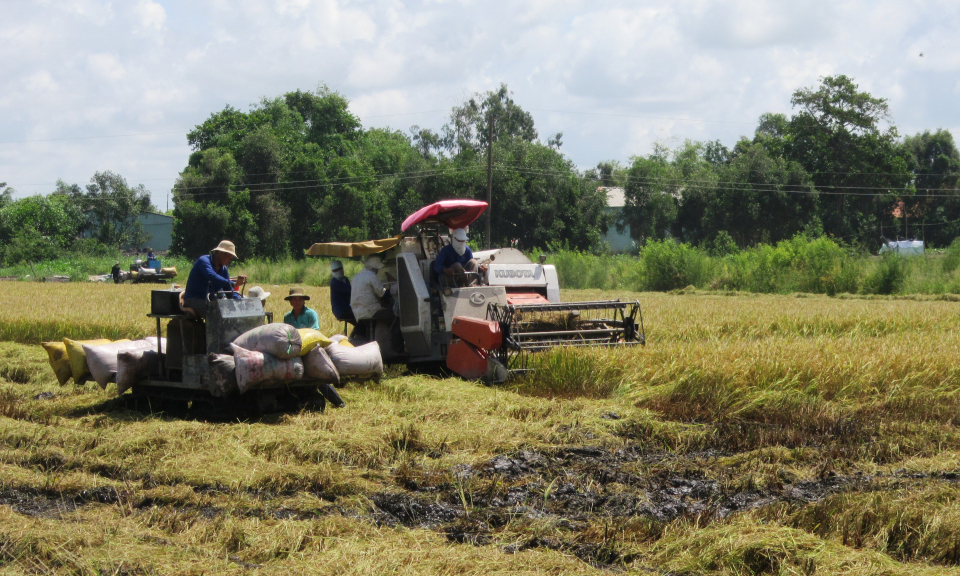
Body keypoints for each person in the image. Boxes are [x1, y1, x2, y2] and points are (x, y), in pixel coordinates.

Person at [182, 240, 246, 316]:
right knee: (218, 312)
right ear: (221, 253)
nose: (229, 261)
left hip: (210, 301)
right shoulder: (203, 261)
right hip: (194, 300)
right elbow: (212, 276)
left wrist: (240, 303)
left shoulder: (223, 269)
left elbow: (228, 291)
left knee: (228, 309)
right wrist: (233, 284)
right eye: (229, 257)